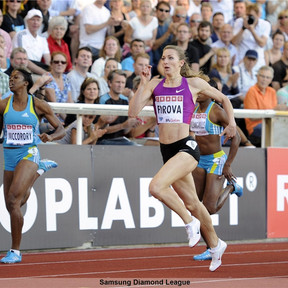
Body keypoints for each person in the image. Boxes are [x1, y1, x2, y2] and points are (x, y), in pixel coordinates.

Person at [128, 45, 237, 271]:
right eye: (163, 58)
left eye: (171, 58)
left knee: (156, 187)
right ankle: (216, 245)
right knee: (194, 204)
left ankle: (189, 223)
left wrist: (233, 123)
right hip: (167, 150)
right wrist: (142, 83)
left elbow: (223, 99)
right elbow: (133, 111)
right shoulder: (155, 85)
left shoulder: (193, 84)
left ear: (180, 63)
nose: (165, 61)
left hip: (186, 147)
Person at [0, 67, 65, 264]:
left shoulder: (37, 104)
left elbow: (60, 128)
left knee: (13, 200)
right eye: (10, 78)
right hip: (9, 155)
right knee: (14, 205)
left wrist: (51, 136)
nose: (11, 81)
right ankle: (39, 172)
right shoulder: (3, 104)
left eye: (15, 78)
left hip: (29, 153)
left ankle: (15, 251)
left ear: (26, 83)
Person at [189, 79, 242, 261]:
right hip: (198, 160)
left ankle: (231, 187)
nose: (196, 92)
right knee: (195, 208)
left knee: (209, 208)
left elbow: (237, 138)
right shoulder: (193, 108)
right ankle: (211, 247)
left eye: (200, 90)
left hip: (215, 160)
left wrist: (228, 164)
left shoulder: (217, 111)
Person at [244, 65, 286, 147]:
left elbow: (275, 114)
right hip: (255, 127)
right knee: (277, 130)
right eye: (262, 76)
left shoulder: (272, 91)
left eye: (267, 77)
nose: (264, 79)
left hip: (271, 123)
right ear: (257, 77)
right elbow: (252, 116)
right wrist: (274, 109)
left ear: (271, 80)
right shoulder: (252, 91)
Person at [98, 69, 140, 145]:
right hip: (104, 140)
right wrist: (123, 125)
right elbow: (100, 129)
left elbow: (125, 131)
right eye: (117, 82)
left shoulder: (125, 100)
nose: (120, 85)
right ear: (109, 83)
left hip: (121, 140)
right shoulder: (103, 100)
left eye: (123, 82)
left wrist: (131, 123)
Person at [232, 3, 271, 72]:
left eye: (251, 16)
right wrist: (243, 28)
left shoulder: (265, 24)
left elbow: (262, 44)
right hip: (242, 60)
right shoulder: (239, 22)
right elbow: (234, 42)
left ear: (258, 15)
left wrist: (252, 30)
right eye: (247, 15)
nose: (249, 18)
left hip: (258, 61)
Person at [12, 9, 51, 74]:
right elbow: (23, 60)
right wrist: (44, 73)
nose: (35, 22)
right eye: (33, 19)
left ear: (41, 23)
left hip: (39, 71)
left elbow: (48, 61)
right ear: (27, 21)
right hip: (23, 71)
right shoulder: (20, 35)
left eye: (38, 20)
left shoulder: (43, 39)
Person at [44, 51, 73, 123]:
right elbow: (55, 104)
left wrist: (73, 118)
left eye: (63, 62)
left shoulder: (65, 78)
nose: (60, 64)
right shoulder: (47, 77)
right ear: (51, 64)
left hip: (65, 117)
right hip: (51, 119)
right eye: (56, 62)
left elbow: (69, 101)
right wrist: (68, 121)